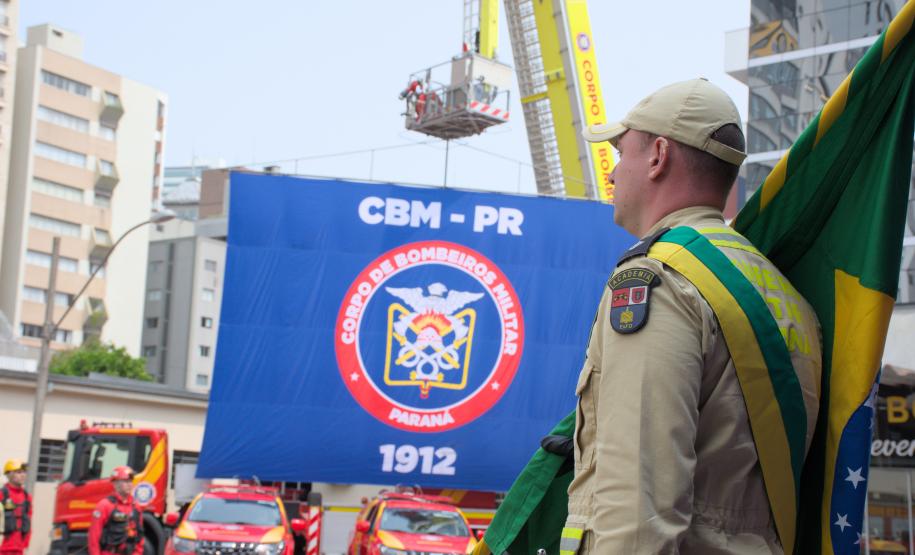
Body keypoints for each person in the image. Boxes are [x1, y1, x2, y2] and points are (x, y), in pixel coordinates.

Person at [562, 78, 823, 553]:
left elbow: (639, 511)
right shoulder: (785, 294)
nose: (613, 174)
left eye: (623, 153)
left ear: (659, 156)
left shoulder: (659, 283)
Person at [88, 467, 144, 555]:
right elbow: (94, 538)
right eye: (125, 481)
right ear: (115, 483)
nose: (129, 484)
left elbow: (139, 536)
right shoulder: (104, 506)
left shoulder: (136, 507)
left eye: (130, 481)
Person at [1, 460, 32, 555]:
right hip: (2, 548)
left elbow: (29, 520)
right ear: (10, 474)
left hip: (19, 549)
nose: (23, 475)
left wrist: (25, 544)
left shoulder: (27, 497)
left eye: (24, 472)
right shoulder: (2, 494)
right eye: (19, 472)